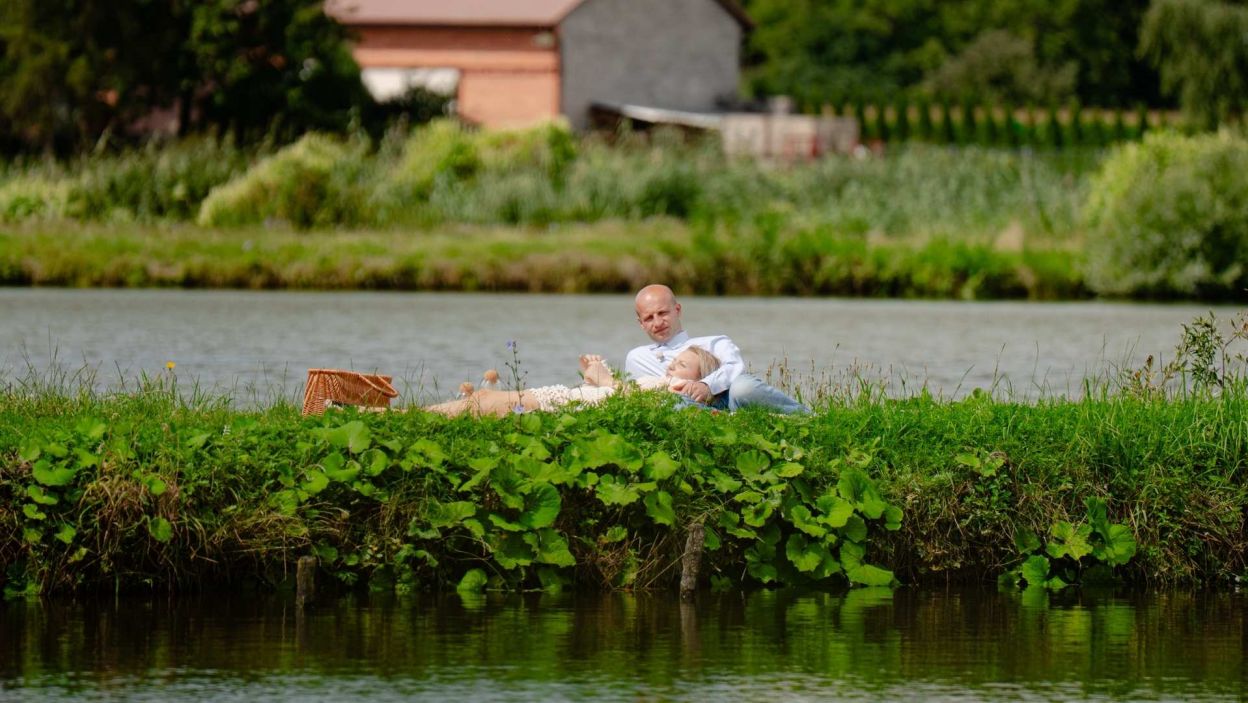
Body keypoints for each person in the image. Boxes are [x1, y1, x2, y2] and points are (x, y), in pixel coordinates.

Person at [624, 284, 807, 414]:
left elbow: (735, 368)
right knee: (673, 402)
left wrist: (707, 386)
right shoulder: (637, 358)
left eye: (663, 313)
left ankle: (806, 416)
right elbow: (631, 392)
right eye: (649, 318)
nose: (657, 323)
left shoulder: (713, 342)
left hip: (728, 399)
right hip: (686, 405)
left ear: (677, 310)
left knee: (744, 387)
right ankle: (721, 420)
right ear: (641, 324)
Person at [423, 347, 721, 418]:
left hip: (561, 404)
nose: (671, 365)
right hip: (567, 398)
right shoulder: (663, 382)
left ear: (699, 379)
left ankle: (400, 414)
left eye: (681, 365)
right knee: (483, 398)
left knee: (483, 402)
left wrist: (605, 377)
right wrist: (599, 376)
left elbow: (630, 399)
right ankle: (404, 413)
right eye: (673, 360)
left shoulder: (679, 390)